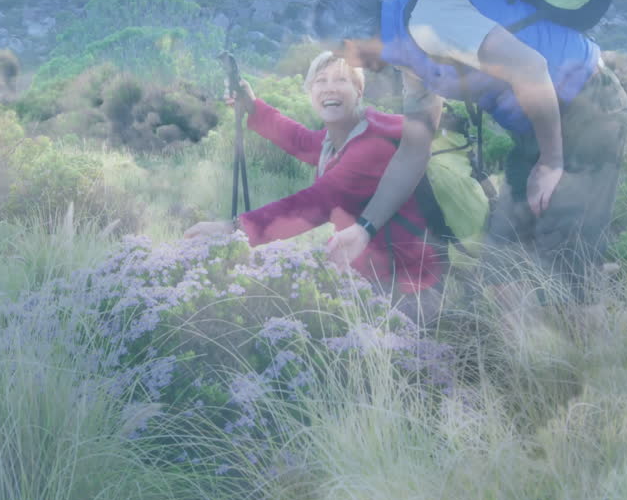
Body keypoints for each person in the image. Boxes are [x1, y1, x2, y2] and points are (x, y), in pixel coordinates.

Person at [310, 0, 627, 302]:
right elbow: (413, 151)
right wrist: (364, 229)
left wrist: (551, 162)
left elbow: (531, 69)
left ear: (350, 42)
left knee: (568, 272)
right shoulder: (410, 57)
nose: (350, 62)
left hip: (588, 107)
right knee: (503, 276)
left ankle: (596, 333)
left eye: (342, 54)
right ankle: (532, 344)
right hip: (537, 129)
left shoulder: (430, 21)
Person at [185, 51, 447, 324]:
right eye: (320, 80)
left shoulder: (373, 143)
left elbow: (313, 204)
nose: (330, 87)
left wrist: (232, 229)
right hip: (373, 274)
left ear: (359, 91)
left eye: (341, 80)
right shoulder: (335, 140)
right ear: (310, 92)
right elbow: (300, 140)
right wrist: (254, 107)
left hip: (409, 284)